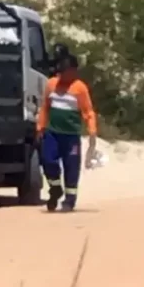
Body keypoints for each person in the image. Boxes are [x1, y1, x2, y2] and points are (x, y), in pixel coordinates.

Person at [36, 54, 97, 211]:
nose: (61, 75)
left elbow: (88, 111)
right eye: (60, 72)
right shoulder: (51, 85)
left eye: (65, 72)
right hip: (52, 133)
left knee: (71, 168)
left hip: (71, 136)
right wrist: (40, 127)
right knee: (47, 160)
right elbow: (45, 108)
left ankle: (69, 200)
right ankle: (55, 188)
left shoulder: (80, 88)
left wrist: (92, 131)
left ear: (73, 71)